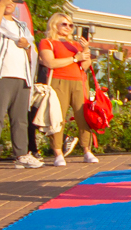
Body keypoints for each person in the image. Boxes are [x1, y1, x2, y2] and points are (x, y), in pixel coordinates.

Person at [38, 13, 93, 166]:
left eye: (71, 25)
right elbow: (50, 63)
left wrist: (86, 50)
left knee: (83, 117)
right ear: (55, 24)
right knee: (57, 118)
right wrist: (75, 58)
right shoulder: (47, 42)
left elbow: (85, 66)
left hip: (78, 81)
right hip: (58, 81)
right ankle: (58, 152)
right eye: (65, 24)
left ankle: (87, 150)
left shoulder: (75, 44)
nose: (68, 28)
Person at [0, 0, 42, 168]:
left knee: (20, 119)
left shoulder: (21, 25)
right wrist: (1, 3)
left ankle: (21, 154)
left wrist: (27, 46)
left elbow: (32, 49)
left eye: (12, 0)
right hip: (3, 74)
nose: (10, 2)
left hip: (22, 76)